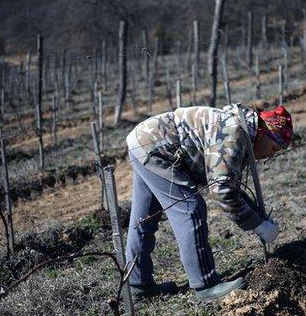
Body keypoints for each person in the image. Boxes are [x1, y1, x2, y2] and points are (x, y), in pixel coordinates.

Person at [124, 103, 293, 301]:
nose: (271, 155)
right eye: (273, 147)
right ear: (263, 133)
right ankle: (205, 285)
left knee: (145, 217)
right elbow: (222, 190)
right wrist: (258, 224)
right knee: (190, 209)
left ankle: (138, 284)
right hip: (158, 147)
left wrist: (256, 216)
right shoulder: (234, 133)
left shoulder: (241, 130)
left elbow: (229, 184)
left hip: (145, 141)